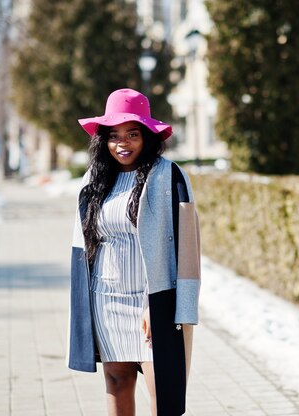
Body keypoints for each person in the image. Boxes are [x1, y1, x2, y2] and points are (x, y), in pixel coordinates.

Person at [68, 88, 201, 416]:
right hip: (106, 299)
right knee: (116, 381)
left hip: (153, 303)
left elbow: (188, 251)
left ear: (148, 137)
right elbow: (82, 246)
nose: (122, 143)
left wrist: (165, 307)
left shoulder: (169, 176)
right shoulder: (95, 179)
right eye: (114, 135)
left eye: (132, 134)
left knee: (164, 394)